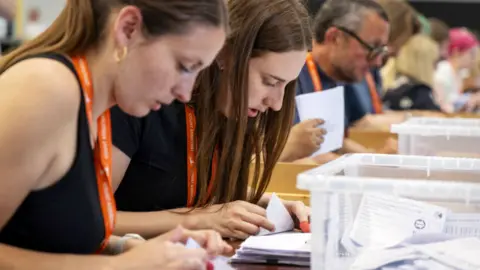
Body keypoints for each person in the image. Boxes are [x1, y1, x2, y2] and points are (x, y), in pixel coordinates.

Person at [0, 0, 230, 269]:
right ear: (128, 28)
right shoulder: (47, 89)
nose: (186, 93)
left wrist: (135, 249)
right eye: (185, 66)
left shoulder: (92, 107)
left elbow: (44, 235)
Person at [111, 0, 312, 240]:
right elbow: (92, 222)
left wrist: (271, 207)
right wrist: (201, 219)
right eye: (270, 82)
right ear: (224, 54)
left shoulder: (232, 111)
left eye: (287, 86)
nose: (277, 103)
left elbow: (203, 191)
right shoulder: (144, 100)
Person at [295, 0, 393, 157]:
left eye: (381, 50)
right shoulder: (291, 76)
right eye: (372, 47)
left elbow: (334, 143)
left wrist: (375, 157)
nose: (377, 61)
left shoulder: (338, 76)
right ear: (335, 38)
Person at [383, 34, 441, 111]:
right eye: (434, 62)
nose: (436, 68)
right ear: (424, 63)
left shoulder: (391, 82)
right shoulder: (419, 94)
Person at [434, 28, 478, 113]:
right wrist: (470, 99)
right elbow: (443, 103)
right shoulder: (443, 70)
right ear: (456, 52)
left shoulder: (460, 73)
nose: (474, 59)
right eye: (471, 54)